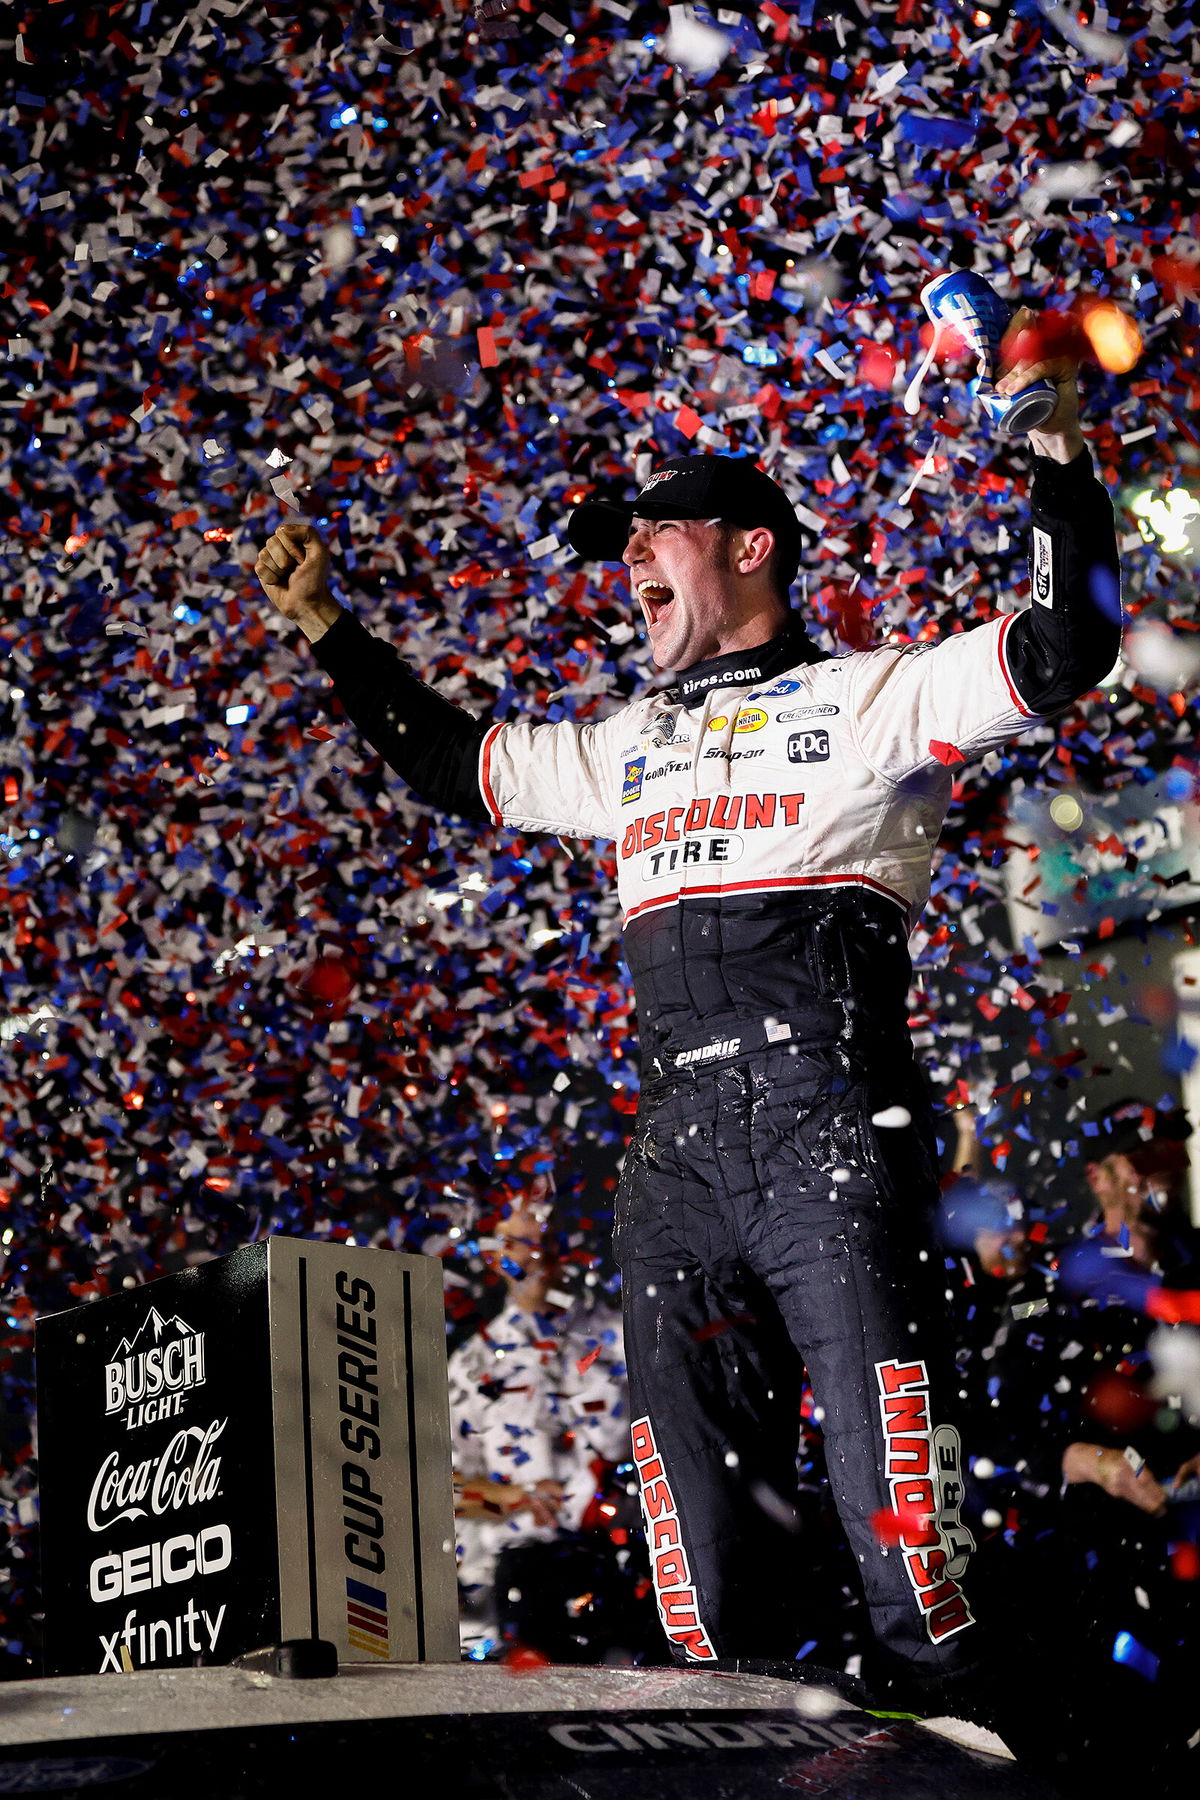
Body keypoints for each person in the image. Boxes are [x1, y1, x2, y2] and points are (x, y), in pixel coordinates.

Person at [254, 306, 1121, 1706]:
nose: (630, 568)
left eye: (652, 539)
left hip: (829, 1122)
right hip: (673, 1161)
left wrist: (1060, 461)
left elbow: (1066, 645)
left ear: (749, 546)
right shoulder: (622, 745)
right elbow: (455, 765)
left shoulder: (870, 697)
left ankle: (961, 1756)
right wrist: (329, 634)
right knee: (703, 1575)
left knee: (904, 1531)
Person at [447, 1185, 634, 1659]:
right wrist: (512, 1497)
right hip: (521, 1580)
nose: (535, 1254)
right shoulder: (473, 1365)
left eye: (544, 1240)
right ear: (495, 1257)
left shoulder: (623, 1337)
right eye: (518, 1242)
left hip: (630, 1565)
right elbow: (436, 1490)